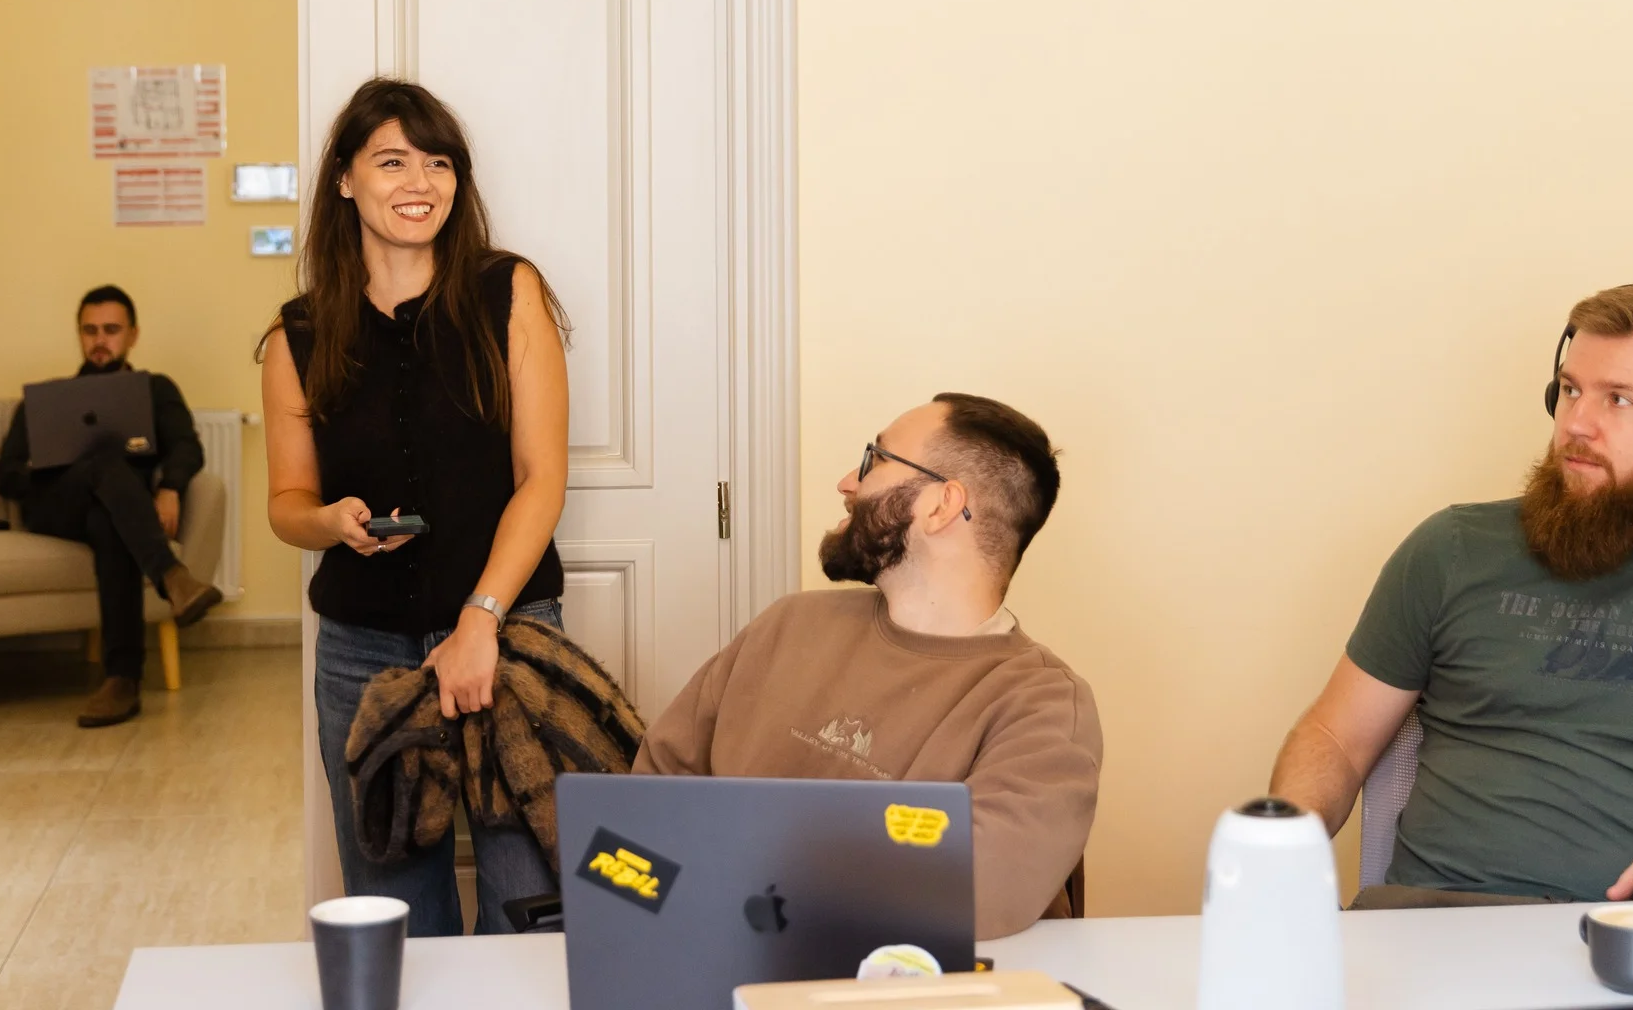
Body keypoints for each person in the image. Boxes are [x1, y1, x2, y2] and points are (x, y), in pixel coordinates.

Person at [1270, 284, 1633, 908]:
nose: (1577, 423)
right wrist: (1280, 849)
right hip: (1442, 924)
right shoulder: (1451, 549)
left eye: (1620, 399)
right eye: (1571, 389)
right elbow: (1336, 737)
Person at [263, 78, 574, 938]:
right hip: (363, 651)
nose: (420, 182)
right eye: (392, 160)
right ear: (344, 180)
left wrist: (481, 621)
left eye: (439, 163)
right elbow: (286, 503)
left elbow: (541, 477)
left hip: (508, 630)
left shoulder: (509, 293)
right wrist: (327, 524)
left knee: (529, 898)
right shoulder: (297, 334)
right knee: (394, 900)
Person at [632, 394, 1103, 942]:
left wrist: (735, 866)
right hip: (707, 967)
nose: (846, 483)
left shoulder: (1041, 702)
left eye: (874, 460)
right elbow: (649, 802)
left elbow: (978, 883)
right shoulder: (788, 625)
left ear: (941, 506)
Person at [0, 284, 222, 728]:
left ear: (133, 335)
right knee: (101, 462)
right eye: (90, 330)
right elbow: (4, 473)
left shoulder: (155, 390)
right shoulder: (46, 401)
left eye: (111, 330)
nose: (100, 340)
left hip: (118, 514)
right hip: (55, 509)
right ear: (79, 334)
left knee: (109, 521)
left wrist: (171, 487)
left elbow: (186, 448)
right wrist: (42, 468)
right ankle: (172, 578)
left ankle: (121, 680)